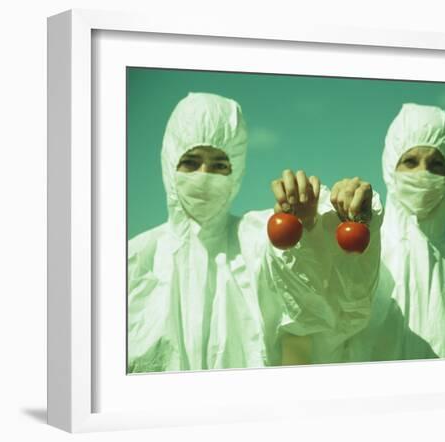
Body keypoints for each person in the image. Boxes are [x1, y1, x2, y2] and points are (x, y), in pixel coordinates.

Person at [127, 92, 383, 372]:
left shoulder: (254, 240)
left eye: (219, 165)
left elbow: (320, 307)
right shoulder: (134, 260)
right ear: (169, 163)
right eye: (190, 162)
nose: (204, 174)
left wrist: (312, 226)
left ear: (236, 172)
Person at [349, 103, 445, 362]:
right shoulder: (365, 249)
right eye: (410, 161)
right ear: (390, 168)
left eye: (436, 164)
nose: (423, 173)